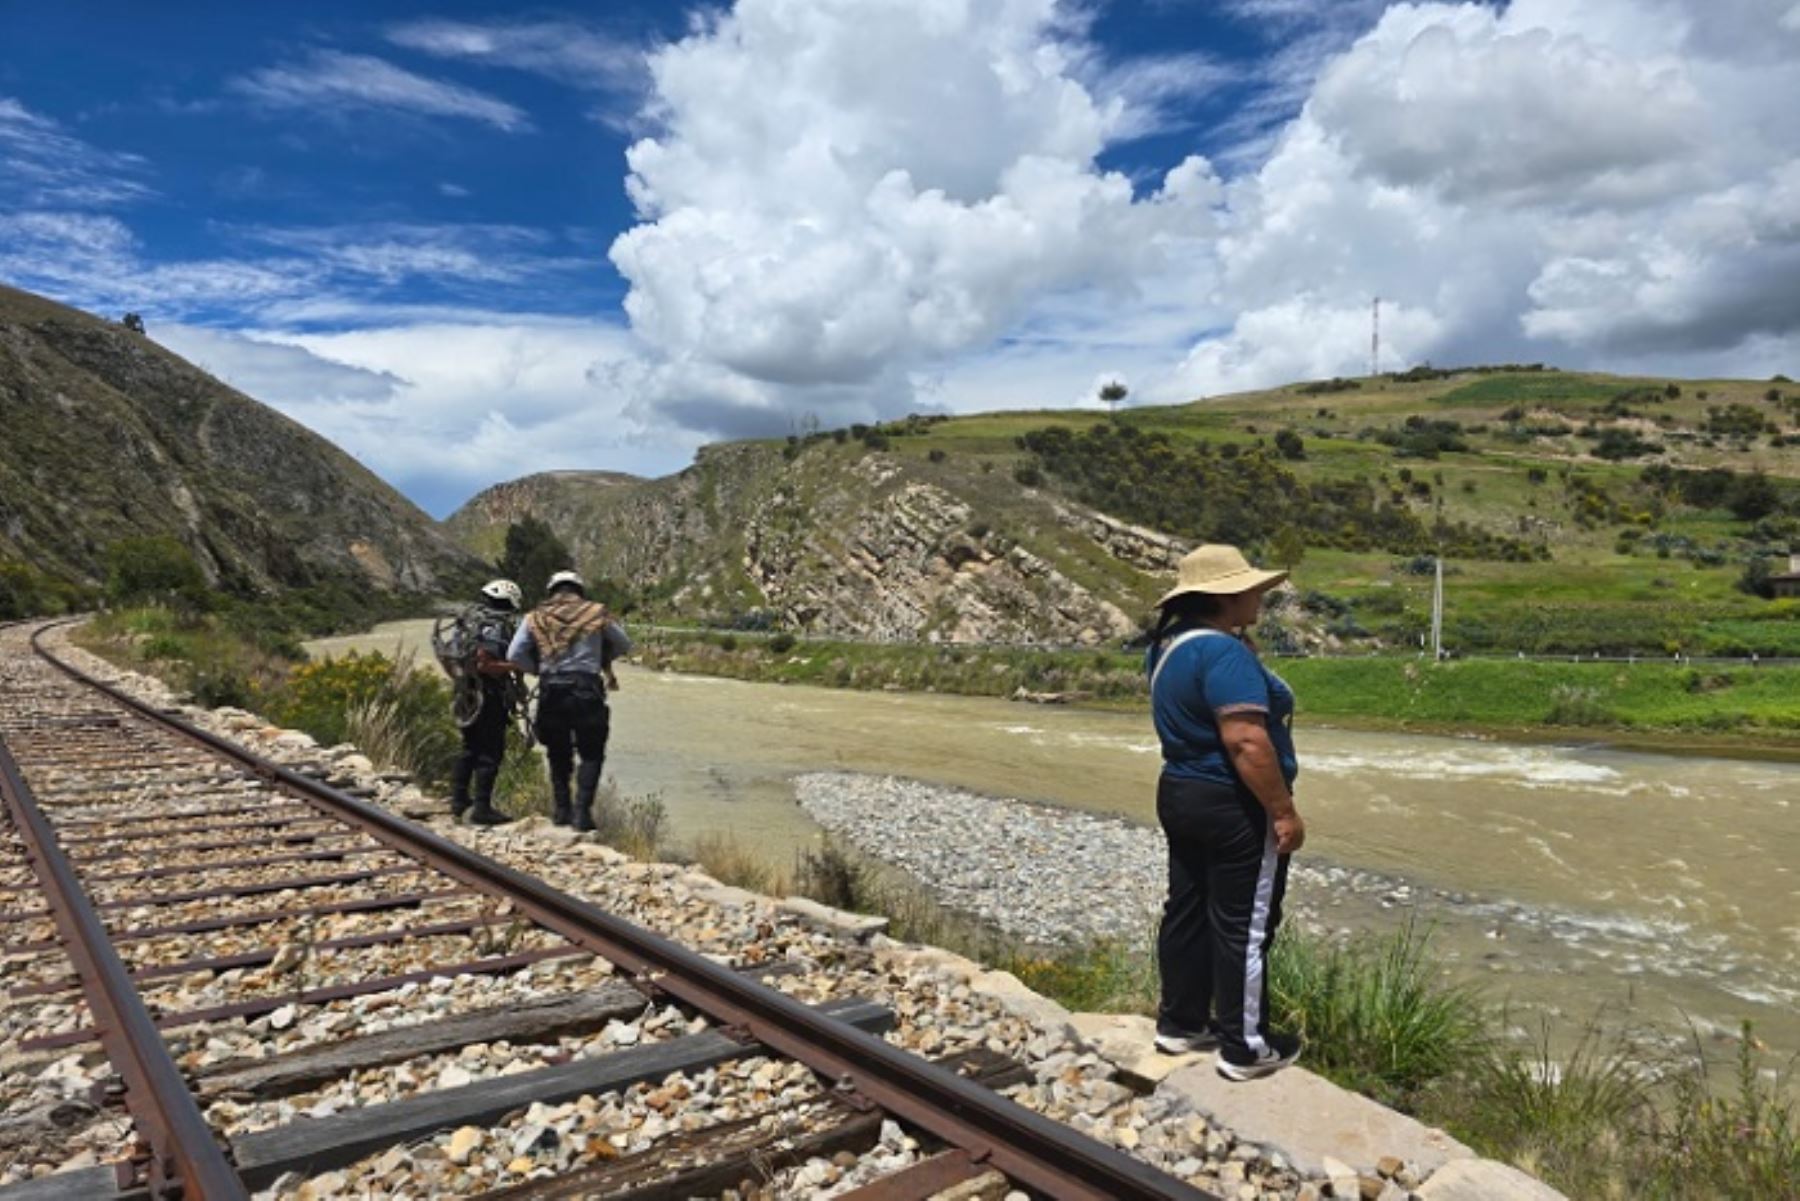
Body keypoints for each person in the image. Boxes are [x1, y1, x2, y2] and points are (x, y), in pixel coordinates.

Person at [1145, 544, 1307, 1081]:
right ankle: (1246, 1046)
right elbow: (1246, 742)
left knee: (1187, 910)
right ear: (1227, 595)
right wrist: (1282, 811)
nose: (1261, 595)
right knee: (1246, 924)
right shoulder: (1223, 655)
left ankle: (1180, 1022)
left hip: (1181, 791)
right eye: (1253, 589)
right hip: (1231, 802)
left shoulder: (1170, 646)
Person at [508, 570, 632, 831]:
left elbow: (515, 653)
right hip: (587, 690)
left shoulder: (534, 617)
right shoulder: (597, 613)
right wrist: (598, 656)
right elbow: (623, 643)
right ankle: (582, 815)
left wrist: (537, 669)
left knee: (557, 752)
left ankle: (561, 811)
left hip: (552, 690)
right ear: (579, 590)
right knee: (591, 753)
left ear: (552, 591)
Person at [449, 578, 525, 827]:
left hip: (465, 692)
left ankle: (459, 800)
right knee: (491, 751)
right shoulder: (496, 624)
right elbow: (485, 662)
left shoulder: (469, 621)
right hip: (489, 693)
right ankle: (482, 807)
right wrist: (517, 666)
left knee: (469, 747)